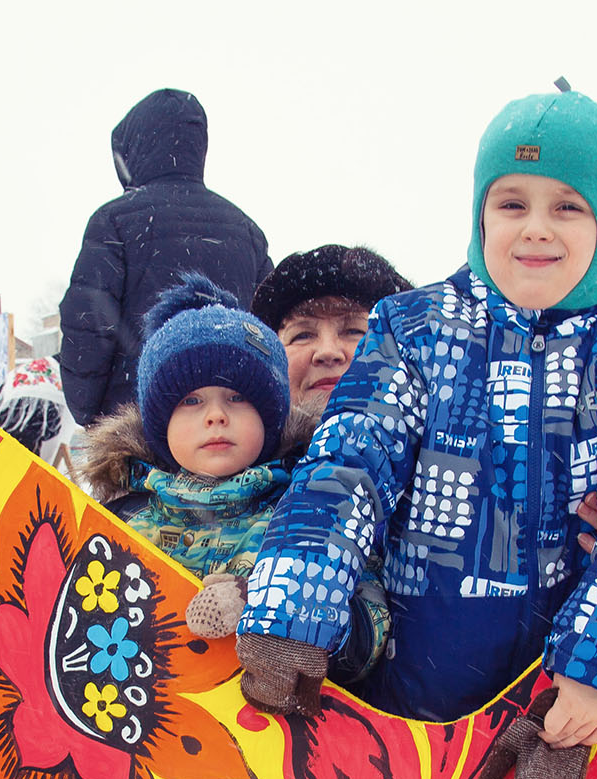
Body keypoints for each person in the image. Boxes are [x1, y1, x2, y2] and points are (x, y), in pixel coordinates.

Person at [236, 86, 597, 779]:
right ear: (480, 215)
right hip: (414, 676)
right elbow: (349, 466)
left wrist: (596, 669)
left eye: (568, 206)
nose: (535, 228)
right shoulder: (418, 332)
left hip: (554, 685)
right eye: (511, 203)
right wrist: (294, 608)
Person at [77, 274, 386, 677]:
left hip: (266, 726)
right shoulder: (121, 518)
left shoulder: (312, 510)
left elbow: (370, 626)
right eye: (191, 400)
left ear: (272, 418)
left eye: (238, 398)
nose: (216, 415)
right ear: (159, 425)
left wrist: (275, 613)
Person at [58, 89, 272, 428]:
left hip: (139, 423)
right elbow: (267, 328)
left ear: (134, 149)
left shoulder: (114, 221)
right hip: (228, 426)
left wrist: (88, 411)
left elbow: (86, 324)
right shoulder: (246, 230)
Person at [250, 243, 412, 448]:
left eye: (354, 331)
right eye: (302, 335)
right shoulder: (216, 472)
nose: (328, 351)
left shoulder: (445, 468)